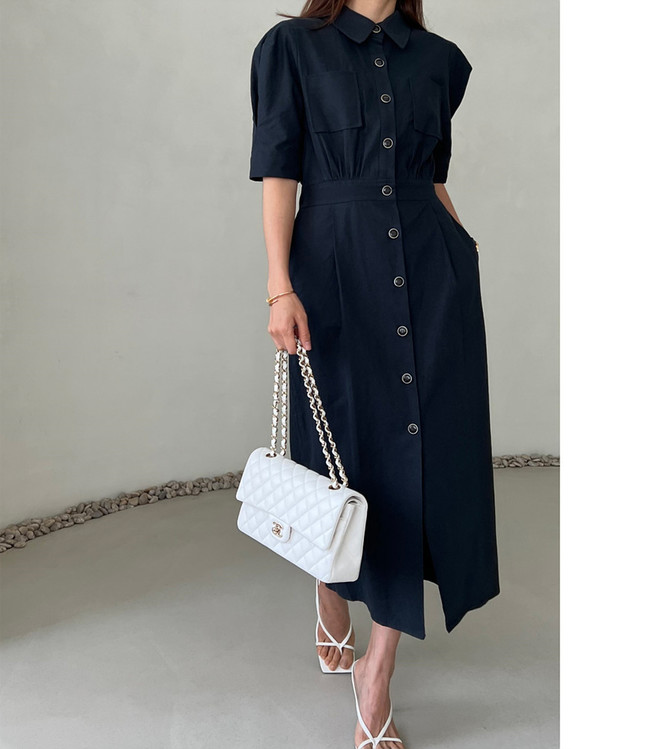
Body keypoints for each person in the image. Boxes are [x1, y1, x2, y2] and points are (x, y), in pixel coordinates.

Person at [249, 1, 501, 746]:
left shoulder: (439, 59)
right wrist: (279, 286)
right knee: (342, 451)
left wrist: (463, 247)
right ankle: (330, 589)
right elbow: (279, 172)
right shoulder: (292, 47)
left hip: (432, 273)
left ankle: (377, 669)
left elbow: (430, 176)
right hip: (333, 272)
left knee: (421, 458)